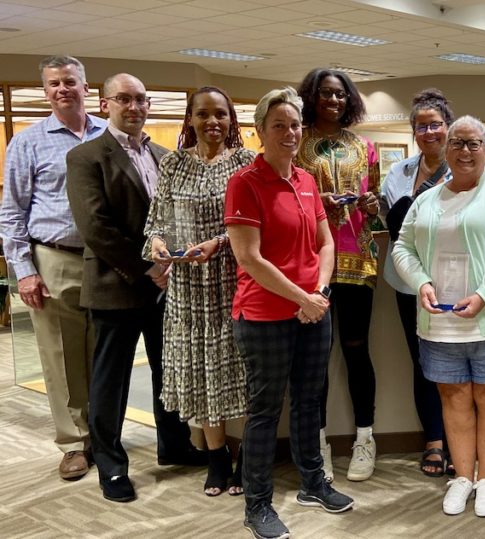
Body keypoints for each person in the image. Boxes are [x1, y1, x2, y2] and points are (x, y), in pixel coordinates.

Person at [66, 73, 205, 503]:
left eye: (141, 99)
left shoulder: (165, 156)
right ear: (104, 104)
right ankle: (110, 464)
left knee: (169, 371)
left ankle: (175, 444)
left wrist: (174, 262)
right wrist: (146, 268)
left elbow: (175, 218)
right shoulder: (86, 156)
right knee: (112, 381)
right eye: (123, 99)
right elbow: (95, 227)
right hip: (117, 284)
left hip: (166, 287)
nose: (134, 107)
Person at [392, 115, 485, 518]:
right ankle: (463, 477)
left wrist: (483, 294)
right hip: (440, 322)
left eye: (474, 144)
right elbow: (402, 247)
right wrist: (420, 281)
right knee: (453, 397)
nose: (465, 151)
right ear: (446, 149)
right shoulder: (428, 198)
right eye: (457, 143)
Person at [225, 87, 354, 539]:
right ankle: (256, 504)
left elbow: (326, 243)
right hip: (264, 315)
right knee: (263, 410)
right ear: (260, 132)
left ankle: (313, 483)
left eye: (295, 124)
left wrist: (316, 293)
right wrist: (303, 299)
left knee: (309, 401)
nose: (289, 132)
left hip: (312, 309)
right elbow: (250, 259)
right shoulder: (245, 183)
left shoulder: (305, 179)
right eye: (278, 125)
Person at [143, 86, 257, 497]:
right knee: (202, 377)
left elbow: (255, 224)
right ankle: (216, 460)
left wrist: (219, 243)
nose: (213, 122)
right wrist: (158, 244)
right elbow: (158, 220)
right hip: (189, 292)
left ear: (232, 120)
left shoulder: (247, 164)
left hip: (235, 283)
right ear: (189, 119)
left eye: (221, 114)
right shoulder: (173, 164)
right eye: (203, 114)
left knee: (239, 376)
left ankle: (245, 456)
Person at [0, 55, 104, 482]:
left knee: (106, 353)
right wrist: (23, 270)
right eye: (54, 83)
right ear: (45, 91)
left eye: (70, 81)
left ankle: (105, 435)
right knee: (60, 356)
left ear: (86, 86)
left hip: (106, 261)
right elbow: (12, 212)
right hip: (54, 258)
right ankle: (74, 443)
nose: (63, 89)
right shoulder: (28, 142)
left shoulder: (109, 132)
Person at [294, 67, 381, 483]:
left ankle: (365, 437)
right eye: (326, 94)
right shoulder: (296, 143)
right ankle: (319, 443)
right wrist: (316, 202)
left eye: (341, 94)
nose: (334, 101)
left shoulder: (366, 147)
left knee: (355, 350)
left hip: (357, 262)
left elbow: (375, 204)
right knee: (315, 359)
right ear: (311, 97)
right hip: (309, 265)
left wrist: (370, 203)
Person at [379, 88, 454, 477]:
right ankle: (434, 440)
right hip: (409, 282)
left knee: (455, 361)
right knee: (423, 361)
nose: (429, 132)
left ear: (448, 128)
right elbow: (395, 227)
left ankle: (459, 440)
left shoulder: (464, 169)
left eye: (436, 125)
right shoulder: (399, 173)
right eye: (421, 126)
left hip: (455, 282)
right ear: (413, 132)